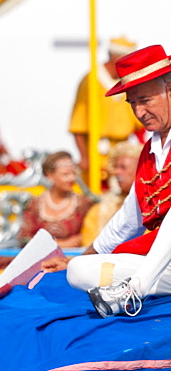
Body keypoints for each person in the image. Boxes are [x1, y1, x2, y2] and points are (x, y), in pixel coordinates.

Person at [44, 45, 171, 317]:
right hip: (163, 265)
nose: (138, 112)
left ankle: (135, 290)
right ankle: (132, 286)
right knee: (79, 272)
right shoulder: (150, 150)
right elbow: (127, 220)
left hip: (154, 267)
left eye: (145, 100)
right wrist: (79, 259)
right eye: (132, 103)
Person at [69, 36, 141, 173]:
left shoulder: (129, 82)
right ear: (117, 59)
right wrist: (84, 157)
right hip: (96, 153)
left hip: (123, 152)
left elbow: (139, 122)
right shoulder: (91, 81)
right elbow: (78, 124)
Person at [17, 151, 94, 248]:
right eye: (65, 175)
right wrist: (61, 244)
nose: (71, 178)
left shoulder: (83, 203)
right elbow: (24, 239)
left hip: (70, 258)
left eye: (74, 174)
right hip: (39, 257)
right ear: (49, 175)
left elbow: (92, 232)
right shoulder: (35, 204)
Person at [80, 139, 142, 245]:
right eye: (116, 167)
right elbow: (88, 243)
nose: (116, 172)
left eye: (123, 167)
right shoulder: (101, 209)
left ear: (141, 170)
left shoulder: (156, 206)